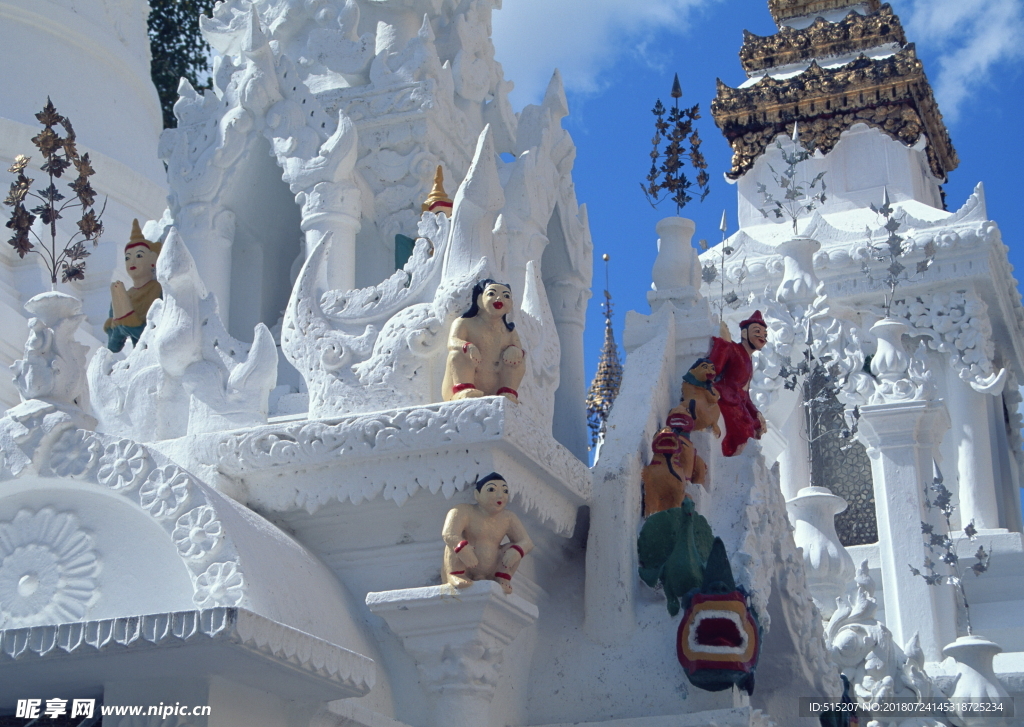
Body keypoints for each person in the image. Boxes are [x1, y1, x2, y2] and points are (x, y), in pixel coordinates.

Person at [442, 473, 533, 595]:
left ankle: (502, 576)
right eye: (491, 489)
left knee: (514, 547)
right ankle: (455, 574)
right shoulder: (462, 510)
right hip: (466, 562)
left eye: (505, 491)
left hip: (492, 566)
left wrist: (517, 551)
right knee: (456, 542)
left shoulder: (508, 517)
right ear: (477, 495)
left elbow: (527, 542)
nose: (500, 495)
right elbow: (448, 533)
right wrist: (463, 550)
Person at [442, 279, 526, 403]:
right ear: (480, 299)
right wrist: (466, 346)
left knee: (518, 357)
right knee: (457, 353)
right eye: (491, 294)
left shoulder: (510, 332)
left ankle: (507, 392)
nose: (499, 298)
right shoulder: (465, 323)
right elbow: (453, 341)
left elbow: (519, 350)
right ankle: (464, 389)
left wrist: (514, 351)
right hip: (472, 371)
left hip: (495, 376)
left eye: (506, 296)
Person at [707, 311, 768, 457]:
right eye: (757, 332)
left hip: (738, 402)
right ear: (745, 333)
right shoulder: (733, 349)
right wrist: (722, 343)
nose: (762, 337)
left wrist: (756, 414)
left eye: (765, 334)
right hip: (725, 398)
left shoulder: (749, 360)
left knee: (751, 431)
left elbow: (745, 394)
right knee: (744, 433)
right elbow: (712, 369)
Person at [104, 220, 162, 352]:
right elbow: (113, 347)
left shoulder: (158, 289)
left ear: (153, 260)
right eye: (127, 258)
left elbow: (154, 334)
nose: (132, 262)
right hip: (137, 355)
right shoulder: (124, 295)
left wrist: (129, 322)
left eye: (139, 255)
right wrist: (118, 325)